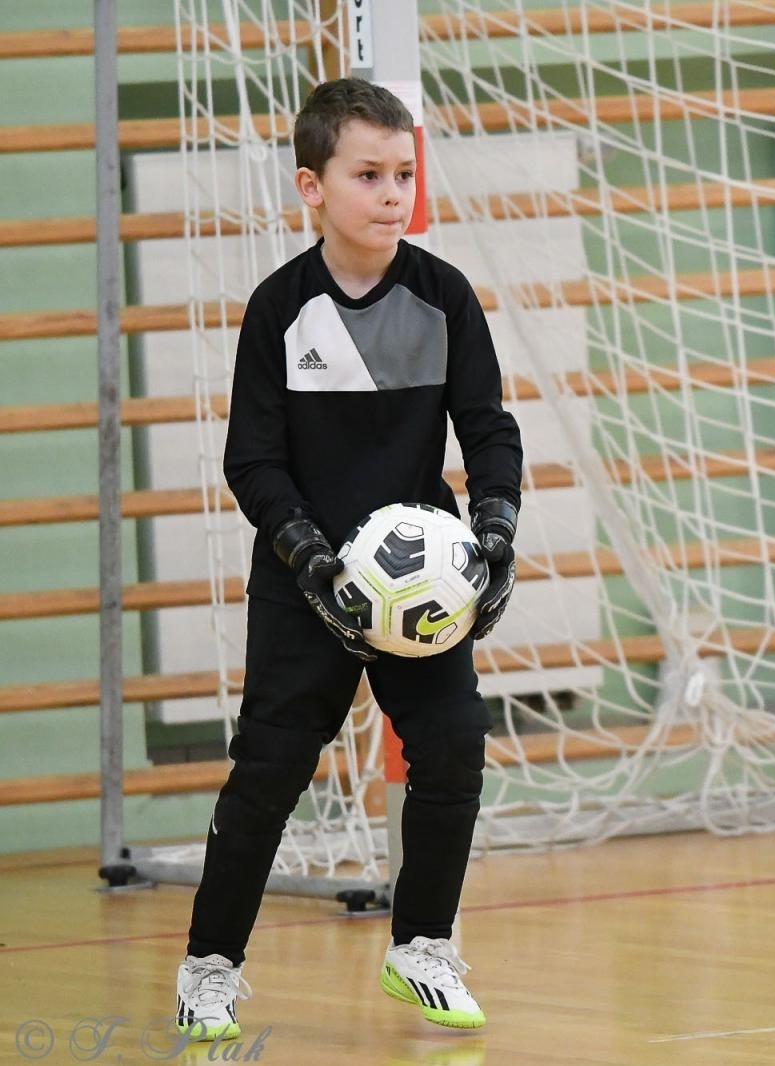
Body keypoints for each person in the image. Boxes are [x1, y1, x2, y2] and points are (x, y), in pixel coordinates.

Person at [173, 78, 523, 1039]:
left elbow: (491, 433)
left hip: (422, 584)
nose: (390, 193)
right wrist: (311, 558)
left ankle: (423, 947)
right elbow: (253, 461)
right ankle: (209, 965)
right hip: (305, 587)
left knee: (452, 746)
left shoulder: (444, 297)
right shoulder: (277, 310)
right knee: (269, 774)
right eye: (367, 174)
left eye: (403, 173)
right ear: (311, 187)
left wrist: (493, 534)